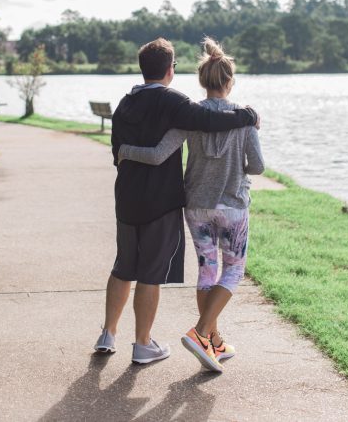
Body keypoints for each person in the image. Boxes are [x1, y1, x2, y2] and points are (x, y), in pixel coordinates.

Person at [94, 37, 259, 365]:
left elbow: (120, 152)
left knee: (124, 265)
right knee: (151, 272)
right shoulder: (175, 102)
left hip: (127, 197)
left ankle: (108, 334)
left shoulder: (125, 103)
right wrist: (247, 116)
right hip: (162, 202)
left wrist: (126, 152)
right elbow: (210, 120)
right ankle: (146, 343)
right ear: (170, 70)